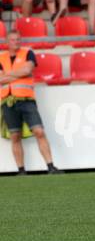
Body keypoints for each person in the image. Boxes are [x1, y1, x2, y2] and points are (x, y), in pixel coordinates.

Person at [0, 30, 59, 175]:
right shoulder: (1, 57)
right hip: (8, 101)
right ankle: (21, 170)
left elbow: (28, 69)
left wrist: (9, 75)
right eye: (13, 40)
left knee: (39, 131)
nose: (17, 42)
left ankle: (51, 166)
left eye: (19, 39)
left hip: (26, 99)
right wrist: (20, 73)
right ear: (7, 42)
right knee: (15, 135)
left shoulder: (28, 52)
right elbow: (1, 79)